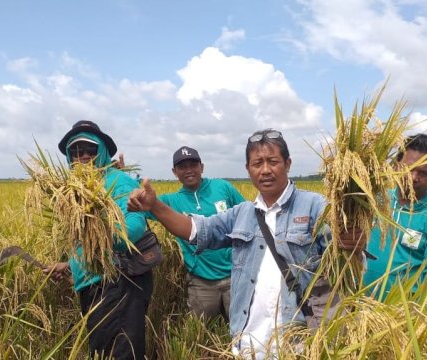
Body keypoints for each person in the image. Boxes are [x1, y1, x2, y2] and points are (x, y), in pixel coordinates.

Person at [127, 129, 365, 359]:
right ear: (248, 170)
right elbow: (197, 231)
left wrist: (353, 245)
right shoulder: (242, 213)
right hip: (249, 345)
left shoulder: (316, 206)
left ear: (288, 164)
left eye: (273, 161)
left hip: (298, 344)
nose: (265, 170)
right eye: (257, 163)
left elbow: (346, 267)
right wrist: (155, 206)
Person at [44, 120, 152, 360]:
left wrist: (98, 232)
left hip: (118, 283)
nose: (82, 156)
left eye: (89, 150)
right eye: (75, 151)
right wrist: (71, 264)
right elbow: (85, 243)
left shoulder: (117, 180)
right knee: (102, 352)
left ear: (101, 151)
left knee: (120, 354)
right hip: (93, 284)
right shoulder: (77, 190)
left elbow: (133, 229)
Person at [362, 133, 427, 300]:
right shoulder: (376, 200)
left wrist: (419, 319)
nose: (414, 177)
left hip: (401, 315)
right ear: (395, 166)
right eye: (408, 168)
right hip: (359, 304)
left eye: (423, 173)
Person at [158, 146, 244, 320]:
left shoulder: (223, 188)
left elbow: (248, 215)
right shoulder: (170, 201)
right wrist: (122, 176)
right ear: (175, 172)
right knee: (203, 333)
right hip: (200, 282)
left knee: (242, 330)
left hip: (235, 276)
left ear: (202, 167)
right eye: (182, 167)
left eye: (193, 165)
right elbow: (139, 203)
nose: (189, 170)